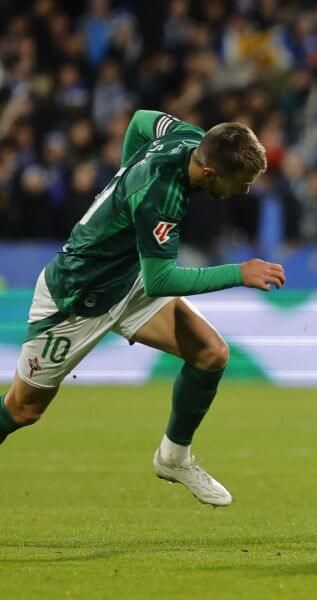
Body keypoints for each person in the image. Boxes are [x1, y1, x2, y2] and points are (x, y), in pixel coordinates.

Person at [0, 110, 286, 507]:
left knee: (211, 353)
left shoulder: (189, 138)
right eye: (239, 182)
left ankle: (173, 458)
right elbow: (161, 282)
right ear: (209, 173)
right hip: (76, 299)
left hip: (126, 280)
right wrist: (240, 272)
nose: (244, 190)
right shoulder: (159, 196)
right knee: (23, 410)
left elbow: (137, 121)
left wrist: (124, 183)